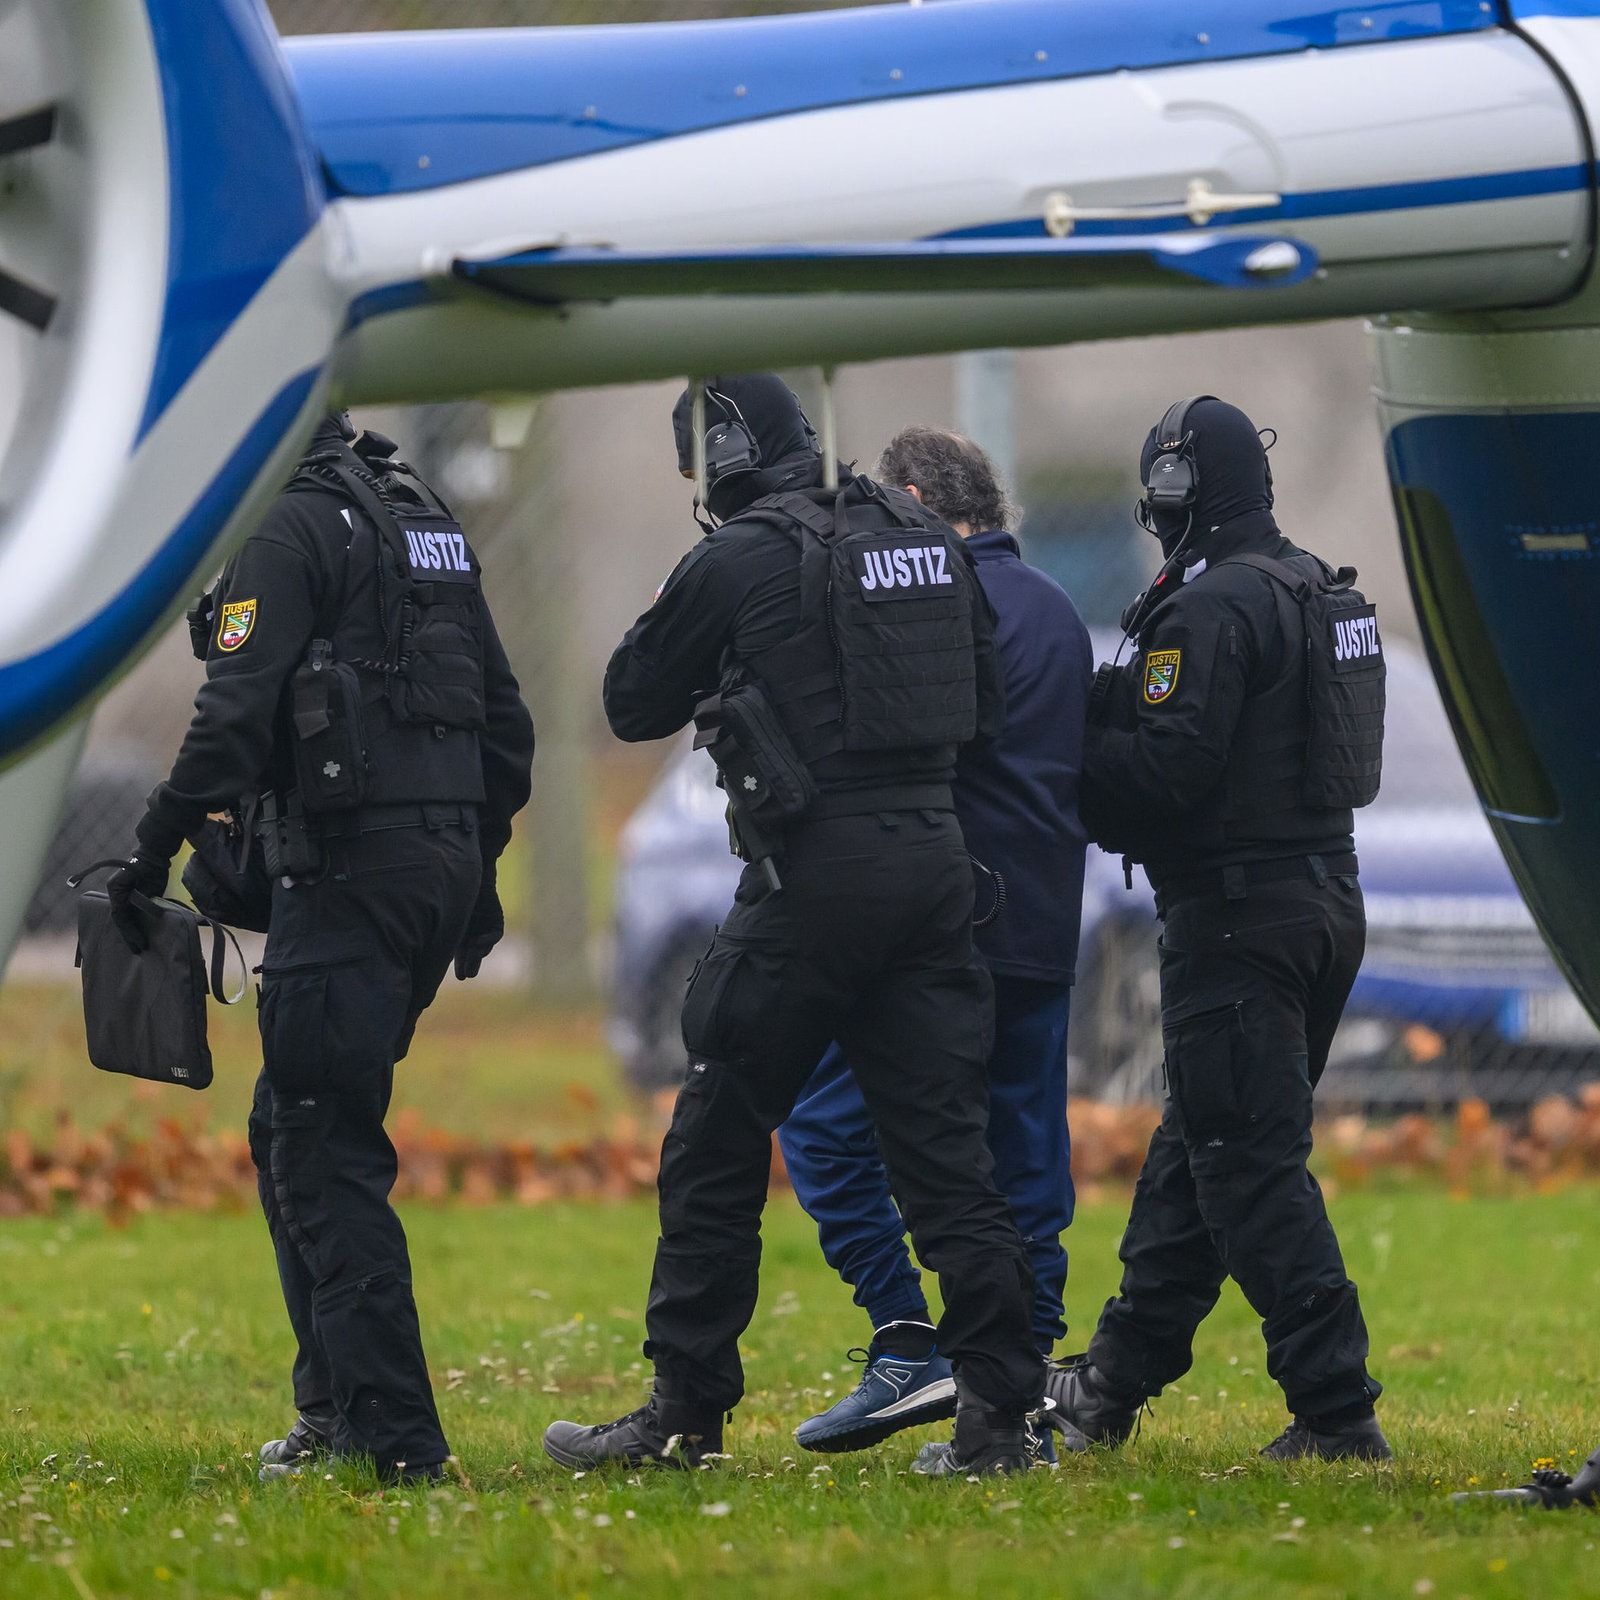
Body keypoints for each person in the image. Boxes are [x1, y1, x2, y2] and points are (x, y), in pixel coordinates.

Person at [542, 375, 1045, 1477]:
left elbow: (630, 701)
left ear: (721, 456)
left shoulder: (738, 556)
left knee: (716, 1135)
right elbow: (985, 706)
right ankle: (1000, 1421)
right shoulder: (920, 533)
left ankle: (684, 1413)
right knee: (945, 1155)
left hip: (812, 875)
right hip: (931, 869)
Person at [107, 412, 534, 1484]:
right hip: (428, 872)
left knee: (319, 1146)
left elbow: (233, 718)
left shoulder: (289, 525)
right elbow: (505, 726)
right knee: (296, 1121)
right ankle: (332, 1405)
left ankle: (398, 1446)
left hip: (350, 875)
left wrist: (148, 847)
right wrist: (471, 871)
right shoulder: (426, 517)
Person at [1054, 395, 1390, 1462]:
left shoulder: (1207, 611)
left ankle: (1336, 1412)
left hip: (1237, 917)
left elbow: (1164, 773)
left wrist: (1058, 767)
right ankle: (1109, 1384)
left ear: (1172, 490)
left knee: (1243, 1164)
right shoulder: (1313, 587)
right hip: (1321, 903)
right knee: (1200, 1153)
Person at [778, 426, 1091, 1456]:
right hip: (1044, 920)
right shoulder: (1055, 610)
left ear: (911, 496)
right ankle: (1020, 1386)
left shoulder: (926, 601)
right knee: (1025, 1152)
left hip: (933, 928)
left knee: (825, 1121)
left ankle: (907, 1339)